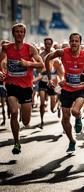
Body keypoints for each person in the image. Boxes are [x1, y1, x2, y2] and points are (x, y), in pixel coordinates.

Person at [0, 23, 44, 154]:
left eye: (21, 32)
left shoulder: (30, 49)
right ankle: (16, 142)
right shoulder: (6, 48)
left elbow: (41, 65)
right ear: (13, 33)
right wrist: (1, 72)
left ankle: (23, 125)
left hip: (26, 87)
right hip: (11, 84)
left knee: (26, 121)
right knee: (13, 112)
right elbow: (1, 62)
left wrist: (27, 63)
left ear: (24, 34)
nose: (19, 34)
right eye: (17, 31)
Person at [45, 33, 84, 153]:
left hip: (81, 88)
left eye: (76, 41)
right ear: (69, 42)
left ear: (80, 42)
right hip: (67, 88)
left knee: (75, 111)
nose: (74, 43)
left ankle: (79, 117)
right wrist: (49, 78)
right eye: (72, 41)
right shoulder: (62, 52)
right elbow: (47, 58)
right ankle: (71, 140)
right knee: (65, 118)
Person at [38, 37, 63, 128]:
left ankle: (58, 107)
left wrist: (59, 79)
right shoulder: (41, 55)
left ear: (51, 44)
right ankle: (41, 121)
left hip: (52, 82)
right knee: (42, 103)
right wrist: (42, 70)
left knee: (52, 109)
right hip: (43, 81)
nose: (47, 45)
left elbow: (59, 69)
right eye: (46, 44)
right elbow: (39, 69)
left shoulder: (55, 55)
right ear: (44, 44)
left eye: (49, 44)